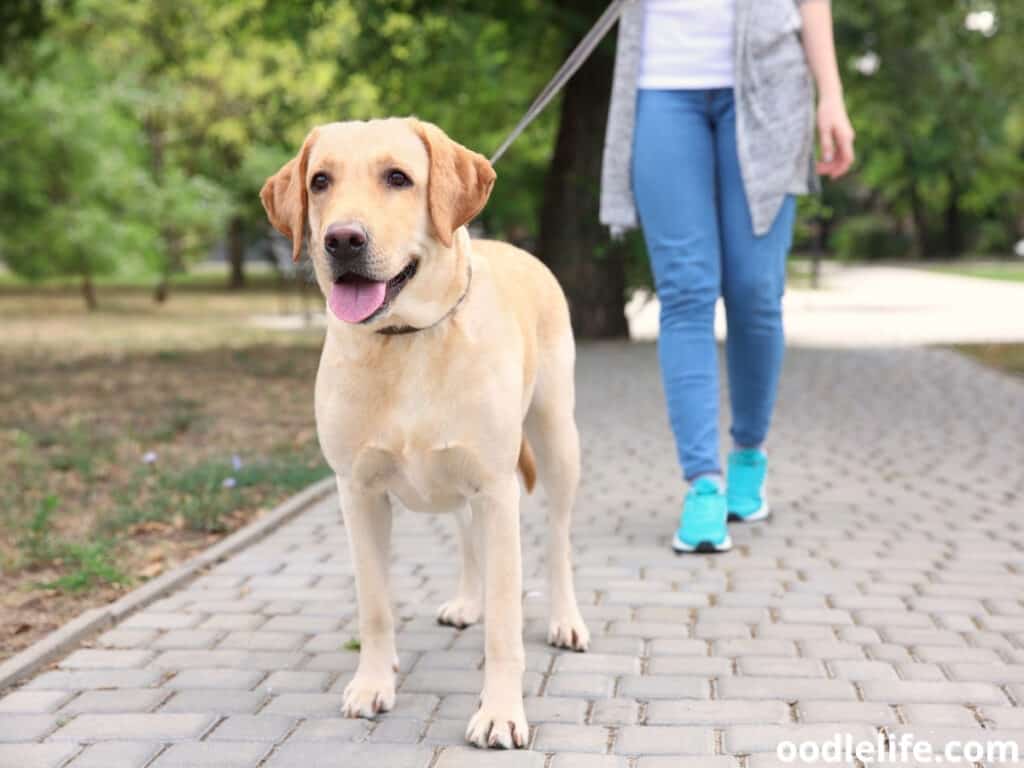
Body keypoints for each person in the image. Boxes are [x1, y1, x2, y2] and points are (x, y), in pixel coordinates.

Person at [600, 0, 854, 553]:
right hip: (662, 85)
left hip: (769, 84)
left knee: (755, 292)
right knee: (685, 291)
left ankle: (748, 454)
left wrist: (831, 94)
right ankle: (703, 483)